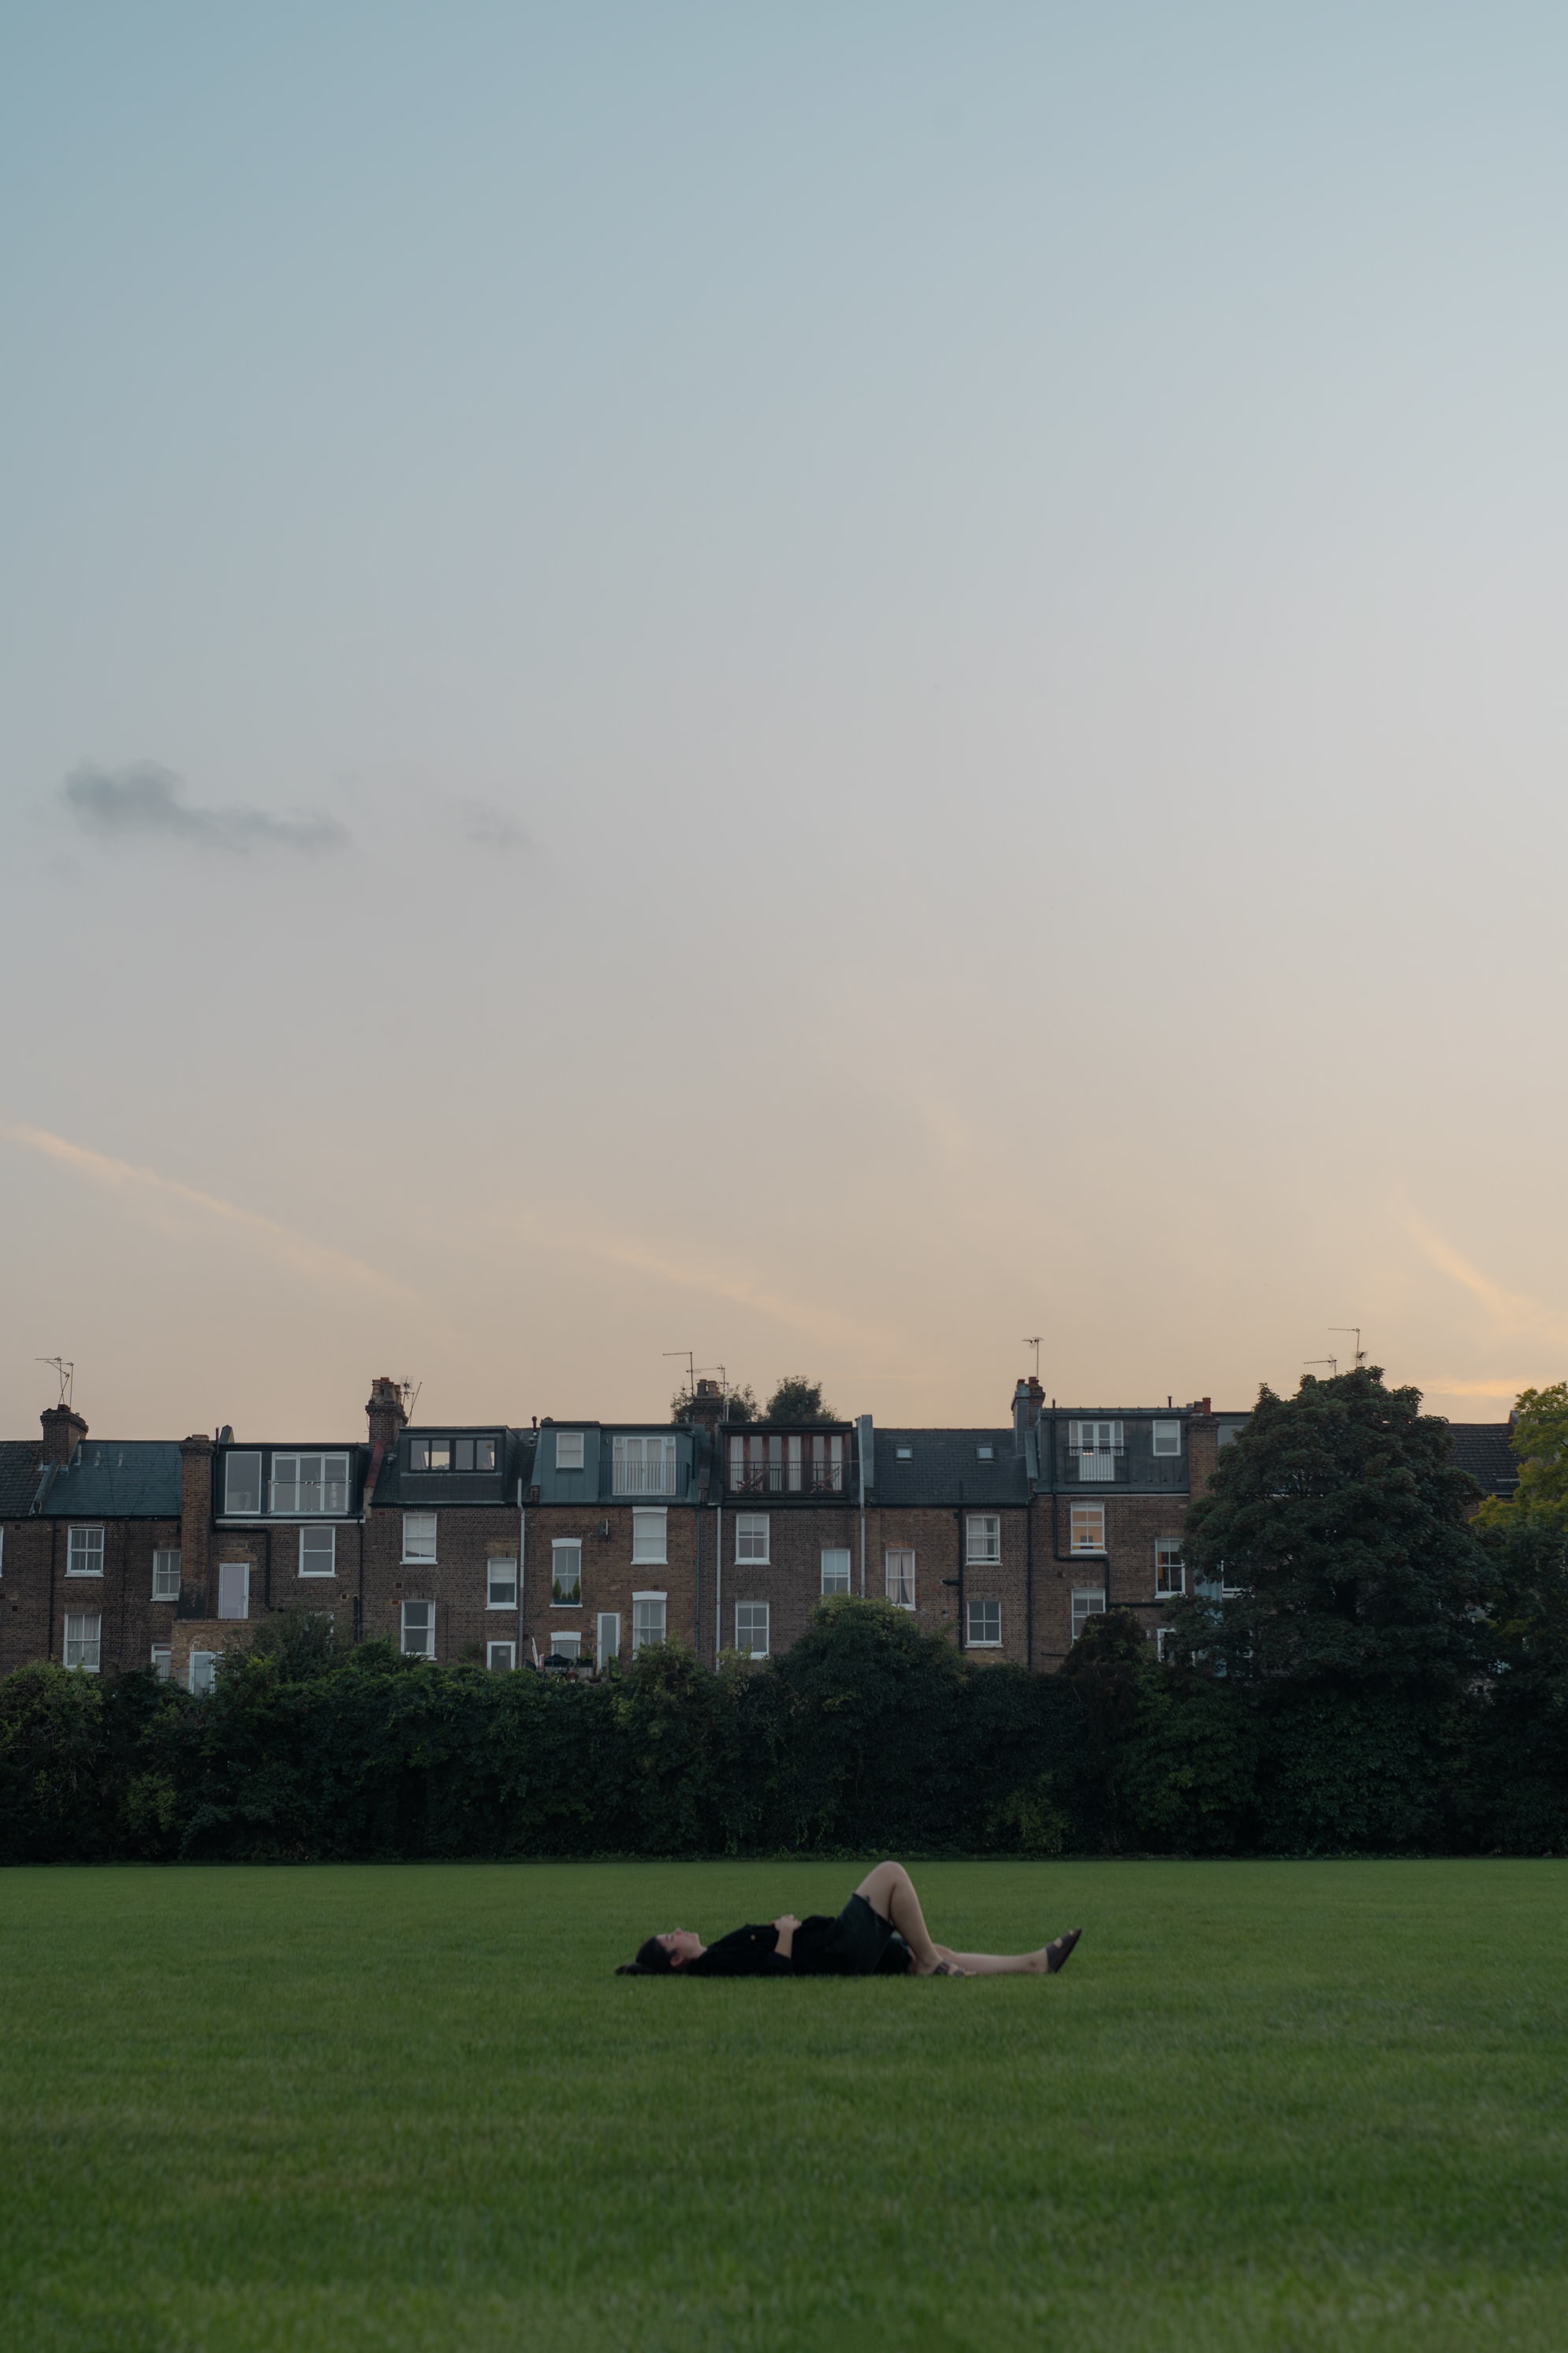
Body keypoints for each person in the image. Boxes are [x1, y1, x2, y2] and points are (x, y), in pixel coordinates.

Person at [617, 1859, 1082, 1978]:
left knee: (939, 1952)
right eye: (670, 1936)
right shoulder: (714, 1962)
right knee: (891, 1874)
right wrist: (782, 1932)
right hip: (835, 1949)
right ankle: (928, 1967)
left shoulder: (715, 1954)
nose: (677, 1929)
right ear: (676, 1959)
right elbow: (777, 1974)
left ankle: (1033, 1963)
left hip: (835, 1949)